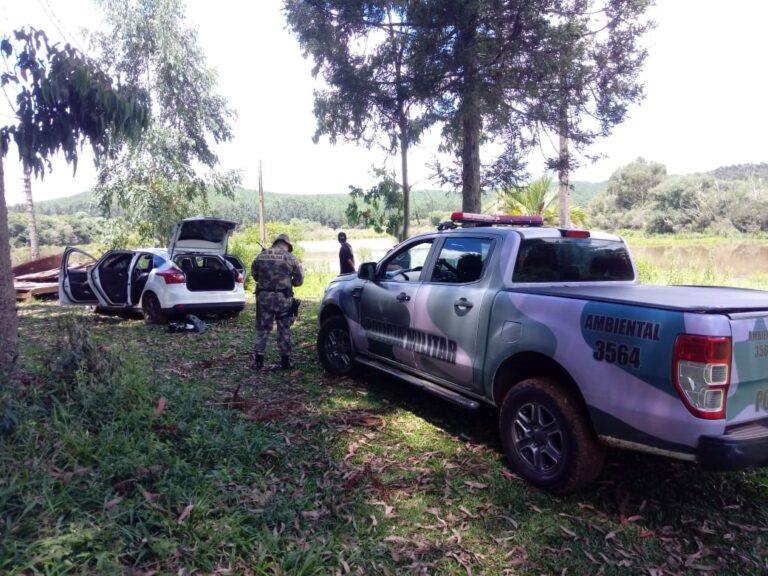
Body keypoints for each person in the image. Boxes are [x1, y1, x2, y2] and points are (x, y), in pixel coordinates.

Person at [251, 233, 304, 370]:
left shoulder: (260, 256)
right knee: (284, 328)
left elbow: (255, 275)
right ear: (286, 245)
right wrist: (288, 282)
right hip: (283, 298)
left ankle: (258, 361)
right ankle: (285, 361)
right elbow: (299, 280)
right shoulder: (291, 258)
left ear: (275, 243)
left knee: (263, 329)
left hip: (263, 297)